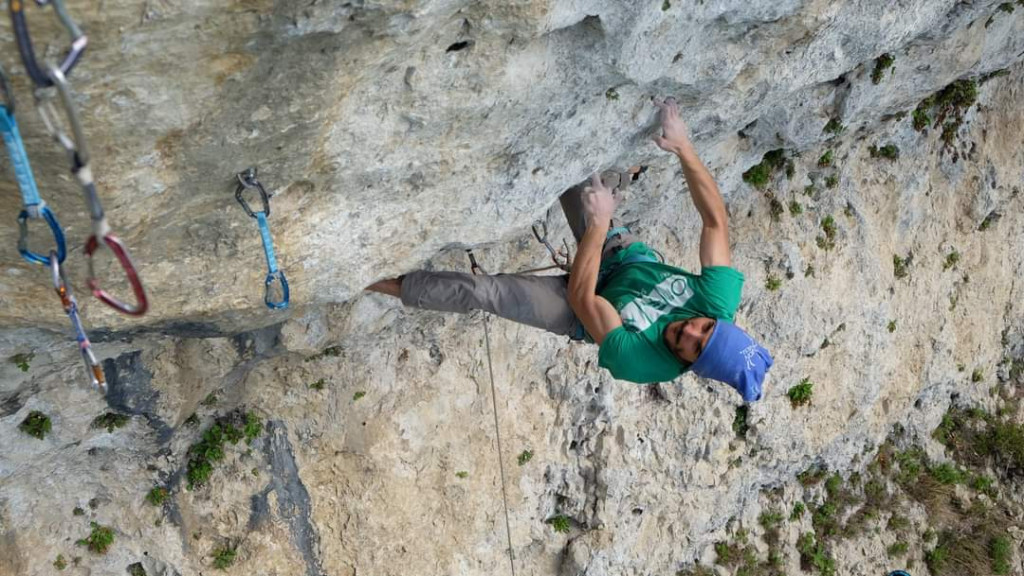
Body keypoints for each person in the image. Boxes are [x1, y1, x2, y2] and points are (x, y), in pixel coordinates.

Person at [366, 97, 773, 401]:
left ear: (692, 364)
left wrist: (598, 223)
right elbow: (715, 219)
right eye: (704, 327)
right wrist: (684, 146)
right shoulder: (719, 301)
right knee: (576, 176)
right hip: (626, 259)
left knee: (485, 293)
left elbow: (582, 296)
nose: (690, 330)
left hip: (579, 309)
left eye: (695, 345)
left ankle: (375, 282)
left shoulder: (644, 363)